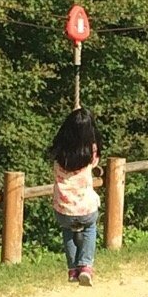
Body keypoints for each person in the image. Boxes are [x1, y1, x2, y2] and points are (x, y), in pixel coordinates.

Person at [48, 108, 101, 285]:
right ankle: (85, 265)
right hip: (85, 208)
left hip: (63, 209)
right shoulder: (90, 152)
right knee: (89, 228)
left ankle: (72, 269)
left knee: (67, 231)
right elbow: (95, 161)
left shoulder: (58, 152)